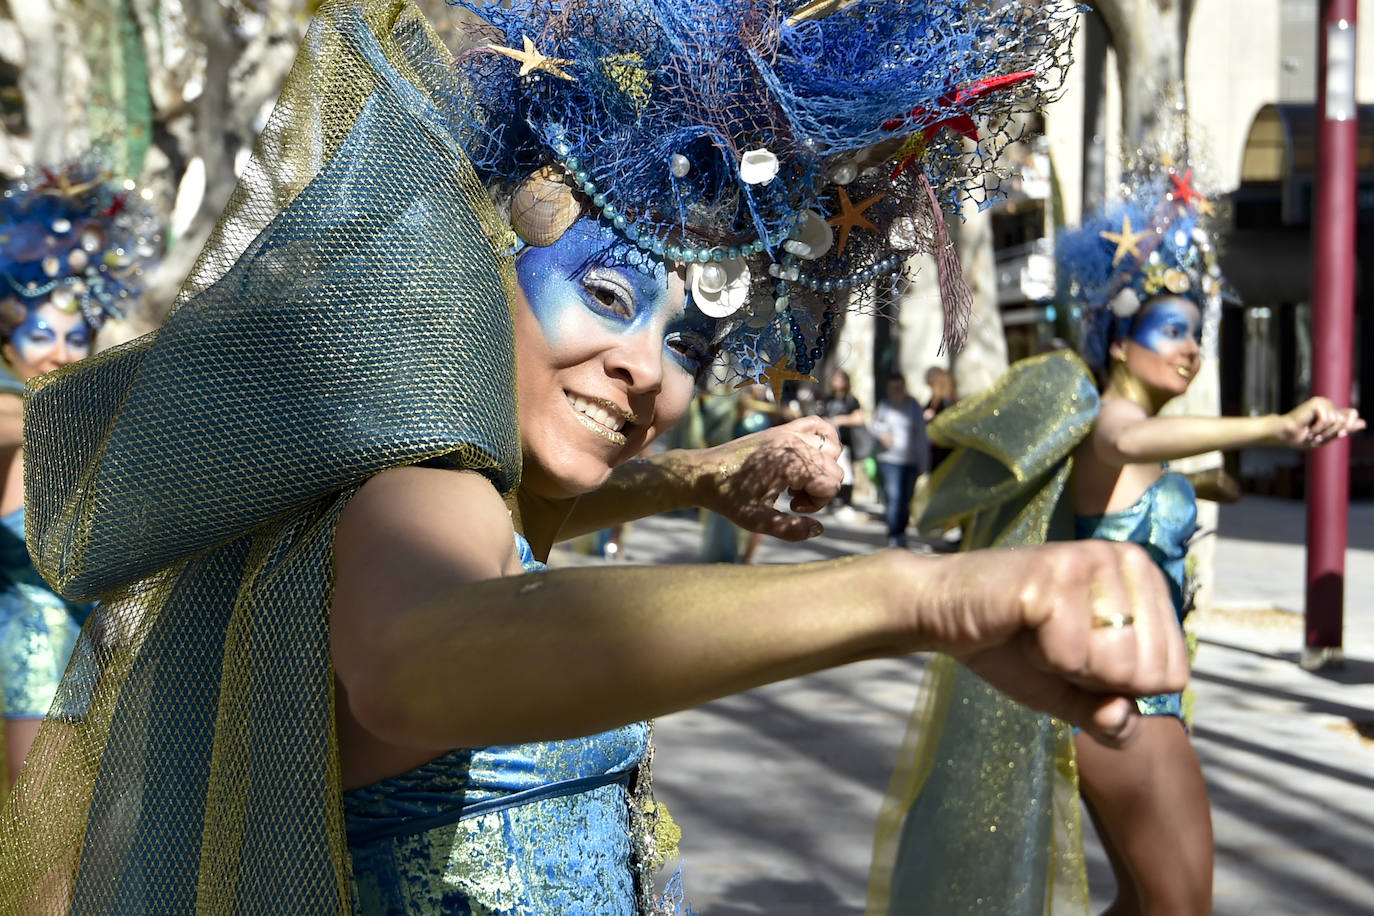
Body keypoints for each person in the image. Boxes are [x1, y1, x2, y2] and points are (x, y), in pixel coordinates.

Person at [0, 2, 1184, 913]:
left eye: (691, 339)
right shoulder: (420, 484)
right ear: (477, 272)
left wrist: (694, 477)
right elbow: (421, 661)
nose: (649, 369)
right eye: (606, 294)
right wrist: (925, 597)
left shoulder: (455, 483)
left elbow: (517, 551)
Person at [870, 152, 1363, 915]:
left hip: (1149, 699)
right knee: (1179, 907)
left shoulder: (1124, 440)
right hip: (1127, 709)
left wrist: (1196, 486)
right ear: (1118, 340)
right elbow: (1125, 444)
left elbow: (1122, 499)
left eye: (1196, 333)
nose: (1190, 349)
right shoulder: (1106, 419)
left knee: (1146, 902)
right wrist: (1274, 423)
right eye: (1169, 329)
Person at [0, 163, 157, 792]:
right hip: (33, 661)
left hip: (108, 663)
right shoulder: (18, 414)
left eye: (78, 333)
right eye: (42, 333)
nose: (61, 352)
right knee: (45, 863)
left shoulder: (91, 410)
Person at [871, 373, 929, 547]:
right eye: (893, 388)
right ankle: (894, 534)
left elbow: (921, 437)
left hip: (910, 461)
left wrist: (924, 463)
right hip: (889, 460)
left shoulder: (914, 406)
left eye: (900, 387)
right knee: (894, 498)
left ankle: (901, 532)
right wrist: (882, 435)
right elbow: (875, 425)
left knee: (906, 500)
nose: (897, 391)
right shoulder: (885, 406)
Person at [819, 368, 865, 510]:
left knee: (847, 473)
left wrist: (839, 420)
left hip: (845, 443)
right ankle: (830, 499)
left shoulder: (851, 400)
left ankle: (845, 501)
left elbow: (858, 418)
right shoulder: (827, 399)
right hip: (829, 443)